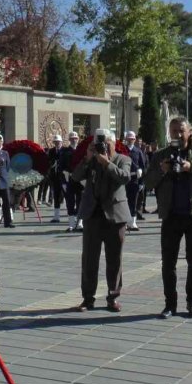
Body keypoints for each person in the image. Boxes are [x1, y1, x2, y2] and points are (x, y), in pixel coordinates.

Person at [144, 118, 192, 319]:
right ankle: (170, 304)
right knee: (168, 263)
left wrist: (190, 166)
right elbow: (148, 183)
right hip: (171, 216)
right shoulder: (161, 155)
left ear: (188, 132)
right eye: (174, 131)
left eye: (181, 131)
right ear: (169, 133)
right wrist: (162, 170)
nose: (177, 134)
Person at [72, 130, 132, 312]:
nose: (102, 146)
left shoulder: (123, 159)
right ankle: (88, 298)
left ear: (114, 143)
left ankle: (113, 297)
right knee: (89, 259)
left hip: (115, 216)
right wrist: (87, 158)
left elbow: (124, 177)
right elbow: (76, 177)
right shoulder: (91, 160)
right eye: (98, 143)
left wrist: (106, 163)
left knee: (114, 259)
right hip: (93, 216)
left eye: (105, 143)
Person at [123, 130, 147, 231]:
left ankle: (133, 222)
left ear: (134, 140)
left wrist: (141, 182)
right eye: (128, 139)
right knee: (124, 201)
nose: (130, 141)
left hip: (134, 179)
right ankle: (124, 222)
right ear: (126, 139)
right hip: (124, 179)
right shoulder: (122, 150)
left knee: (133, 201)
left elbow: (143, 166)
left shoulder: (138, 151)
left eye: (132, 139)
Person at [61, 131, 84, 232]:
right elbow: (61, 167)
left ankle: (79, 223)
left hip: (80, 179)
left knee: (81, 201)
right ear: (69, 140)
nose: (74, 140)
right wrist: (63, 182)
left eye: (75, 138)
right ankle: (71, 224)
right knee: (70, 201)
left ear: (78, 139)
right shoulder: (65, 152)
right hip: (69, 179)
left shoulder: (82, 151)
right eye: (72, 138)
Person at [47, 134, 65, 223]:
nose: (57, 144)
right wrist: (52, 163)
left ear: (61, 142)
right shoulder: (51, 151)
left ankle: (72, 217)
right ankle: (56, 216)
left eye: (58, 142)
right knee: (56, 196)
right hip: (55, 176)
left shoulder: (65, 151)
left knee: (67, 196)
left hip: (64, 177)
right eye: (56, 142)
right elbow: (49, 161)